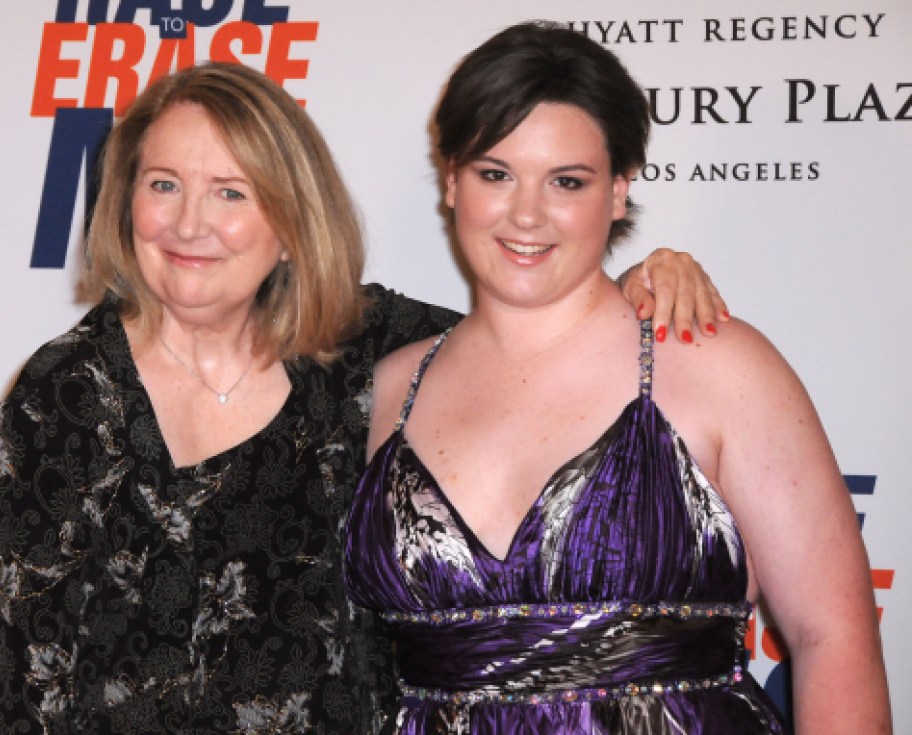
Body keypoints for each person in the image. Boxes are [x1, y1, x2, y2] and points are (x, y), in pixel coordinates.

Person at [0, 60, 728, 734]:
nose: (188, 224)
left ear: (288, 221)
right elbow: (26, 688)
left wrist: (651, 275)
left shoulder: (371, 347)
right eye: (164, 184)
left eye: (231, 193)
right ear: (126, 201)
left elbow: (537, 334)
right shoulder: (63, 395)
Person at [344, 22, 891, 735]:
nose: (527, 213)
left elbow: (832, 635)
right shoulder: (388, 389)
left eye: (566, 181)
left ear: (618, 191)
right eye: (495, 173)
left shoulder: (718, 366)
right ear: (452, 180)